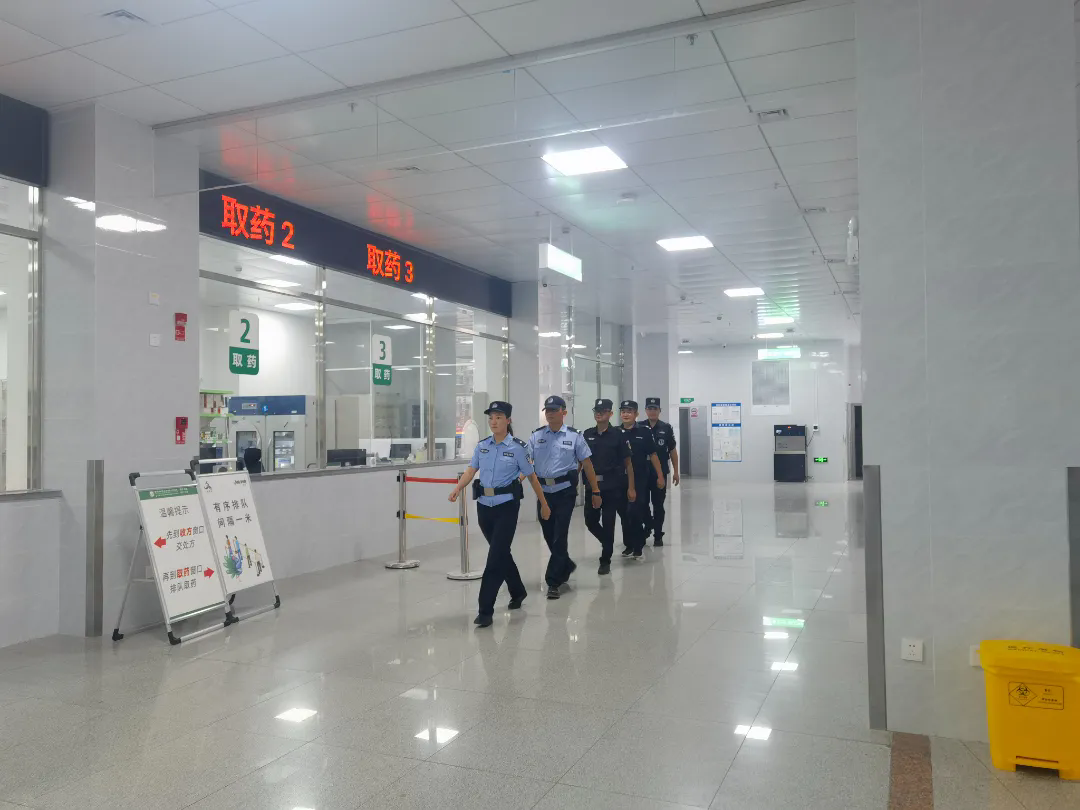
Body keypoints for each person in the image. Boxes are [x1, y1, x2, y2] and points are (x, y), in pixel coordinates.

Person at [449, 401, 551, 628]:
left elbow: (532, 477)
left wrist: (543, 504)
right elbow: (471, 470)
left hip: (507, 507)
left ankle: (485, 610)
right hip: (484, 507)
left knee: (494, 557)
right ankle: (518, 590)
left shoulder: (518, 448)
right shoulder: (482, 446)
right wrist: (458, 488)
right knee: (501, 552)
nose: (493, 422)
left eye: (498, 417)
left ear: (508, 420)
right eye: (491, 418)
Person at [530, 395, 601, 599]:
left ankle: (553, 582)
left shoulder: (575, 436)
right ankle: (566, 564)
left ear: (564, 412)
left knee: (560, 535)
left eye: (554, 410)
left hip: (565, 492)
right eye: (548, 410)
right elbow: (526, 463)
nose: (550, 413)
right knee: (549, 534)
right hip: (544, 493)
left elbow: (587, 464)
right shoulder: (536, 436)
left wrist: (595, 491)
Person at [583, 398, 634, 576]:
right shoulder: (587, 434)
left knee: (609, 521)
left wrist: (631, 487)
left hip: (613, 486)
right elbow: (582, 461)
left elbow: (628, 463)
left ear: (610, 414)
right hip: (592, 486)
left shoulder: (618, 435)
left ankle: (605, 559)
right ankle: (608, 542)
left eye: (603, 411)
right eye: (596, 411)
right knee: (590, 521)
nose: (599, 414)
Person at [618, 400, 664, 561]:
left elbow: (653, 455)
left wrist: (660, 476)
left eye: (629, 411)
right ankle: (629, 545)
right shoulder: (616, 432)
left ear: (636, 414)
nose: (625, 414)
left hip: (639, 478)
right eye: (623, 411)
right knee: (624, 513)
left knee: (635, 511)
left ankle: (638, 544)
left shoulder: (644, 432)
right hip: (621, 479)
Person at [639, 397, 680, 546]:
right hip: (642, 473)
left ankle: (658, 534)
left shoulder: (666, 428)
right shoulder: (639, 427)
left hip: (660, 473)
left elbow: (672, 451)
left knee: (658, 505)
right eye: (649, 409)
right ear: (645, 411)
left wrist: (676, 471)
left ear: (659, 411)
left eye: (655, 409)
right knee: (642, 503)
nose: (652, 411)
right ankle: (648, 525)